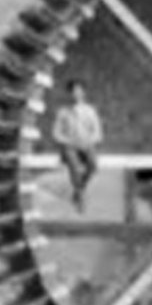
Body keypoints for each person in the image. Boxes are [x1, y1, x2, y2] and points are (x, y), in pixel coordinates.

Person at [50, 79, 103, 209]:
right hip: (70, 146)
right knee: (74, 168)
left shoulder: (90, 110)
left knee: (93, 166)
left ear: (83, 93)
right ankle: (80, 198)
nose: (76, 94)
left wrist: (89, 141)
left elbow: (97, 132)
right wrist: (68, 141)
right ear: (69, 94)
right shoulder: (63, 111)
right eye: (73, 91)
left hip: (86, 144)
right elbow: (56, 133)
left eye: (79, 91)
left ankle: (80, 188)